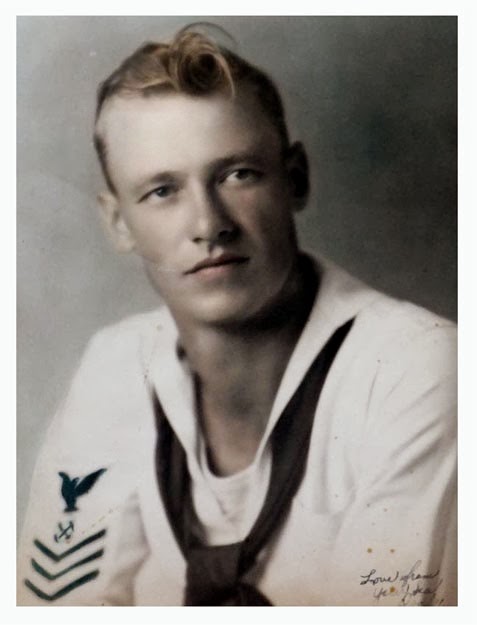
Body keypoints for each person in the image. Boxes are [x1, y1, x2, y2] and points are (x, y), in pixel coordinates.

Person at [17, 27, 457, 606]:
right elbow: (52, 607)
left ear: (295, 179)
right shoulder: (114, 366)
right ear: (118, 222)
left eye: (238, 174)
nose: (209, 224)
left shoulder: (416, 368)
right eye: (162, 191)